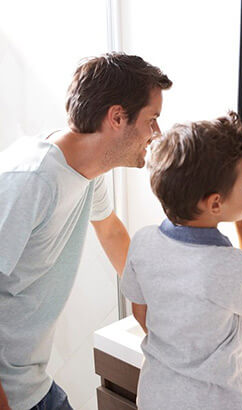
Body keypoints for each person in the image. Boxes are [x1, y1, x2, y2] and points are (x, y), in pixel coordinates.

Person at [0, 53, 172, 410]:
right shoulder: (31, 180)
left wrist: (160, 316)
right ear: (117, 117)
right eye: (152, 119)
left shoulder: (87, 171)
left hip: (31, 383)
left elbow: (110, 232)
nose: (157, 133)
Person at [120, 112, 242, 409]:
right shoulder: (230, 267)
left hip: (154, 397)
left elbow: (140, 312)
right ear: (215, 203)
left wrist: (177, 352)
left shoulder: (143, 241)